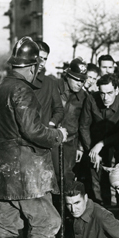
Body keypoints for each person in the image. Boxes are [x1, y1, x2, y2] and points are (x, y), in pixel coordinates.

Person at [0, 36, 75, 238]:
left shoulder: (0, 89)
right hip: (26, 170)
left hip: (5, 168)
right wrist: (57, 136)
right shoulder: (22, 90)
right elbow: (34, 131)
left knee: (7, 219)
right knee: (48, 220)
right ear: (32, 67)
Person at [79, 74, 119, 206]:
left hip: (118, 145)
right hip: (95, 145)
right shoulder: (91, 99)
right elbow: (84, 126)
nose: (105, 98)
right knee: (96, 178)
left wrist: (102, 144)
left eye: (109, 93)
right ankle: (101, 207)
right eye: (102, 93)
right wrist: (92, 151)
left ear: (116, 90)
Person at [51, 57, 88, 187]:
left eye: (82, 80)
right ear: (68, 76)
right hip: (51, 141)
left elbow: (84, 123)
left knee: (67, 178)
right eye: (77, 79)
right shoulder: (53, 87)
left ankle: (66, 207)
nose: (80, 83)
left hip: (70, 145)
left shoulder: (84, 97)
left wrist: (80, 147)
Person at [32, 41, 64, 128]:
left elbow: (59, 110)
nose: (42, 63)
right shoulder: (21, 81)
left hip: (42, 136)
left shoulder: (49, 83)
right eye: (40, 58)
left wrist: (51, 124)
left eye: (45, 59)